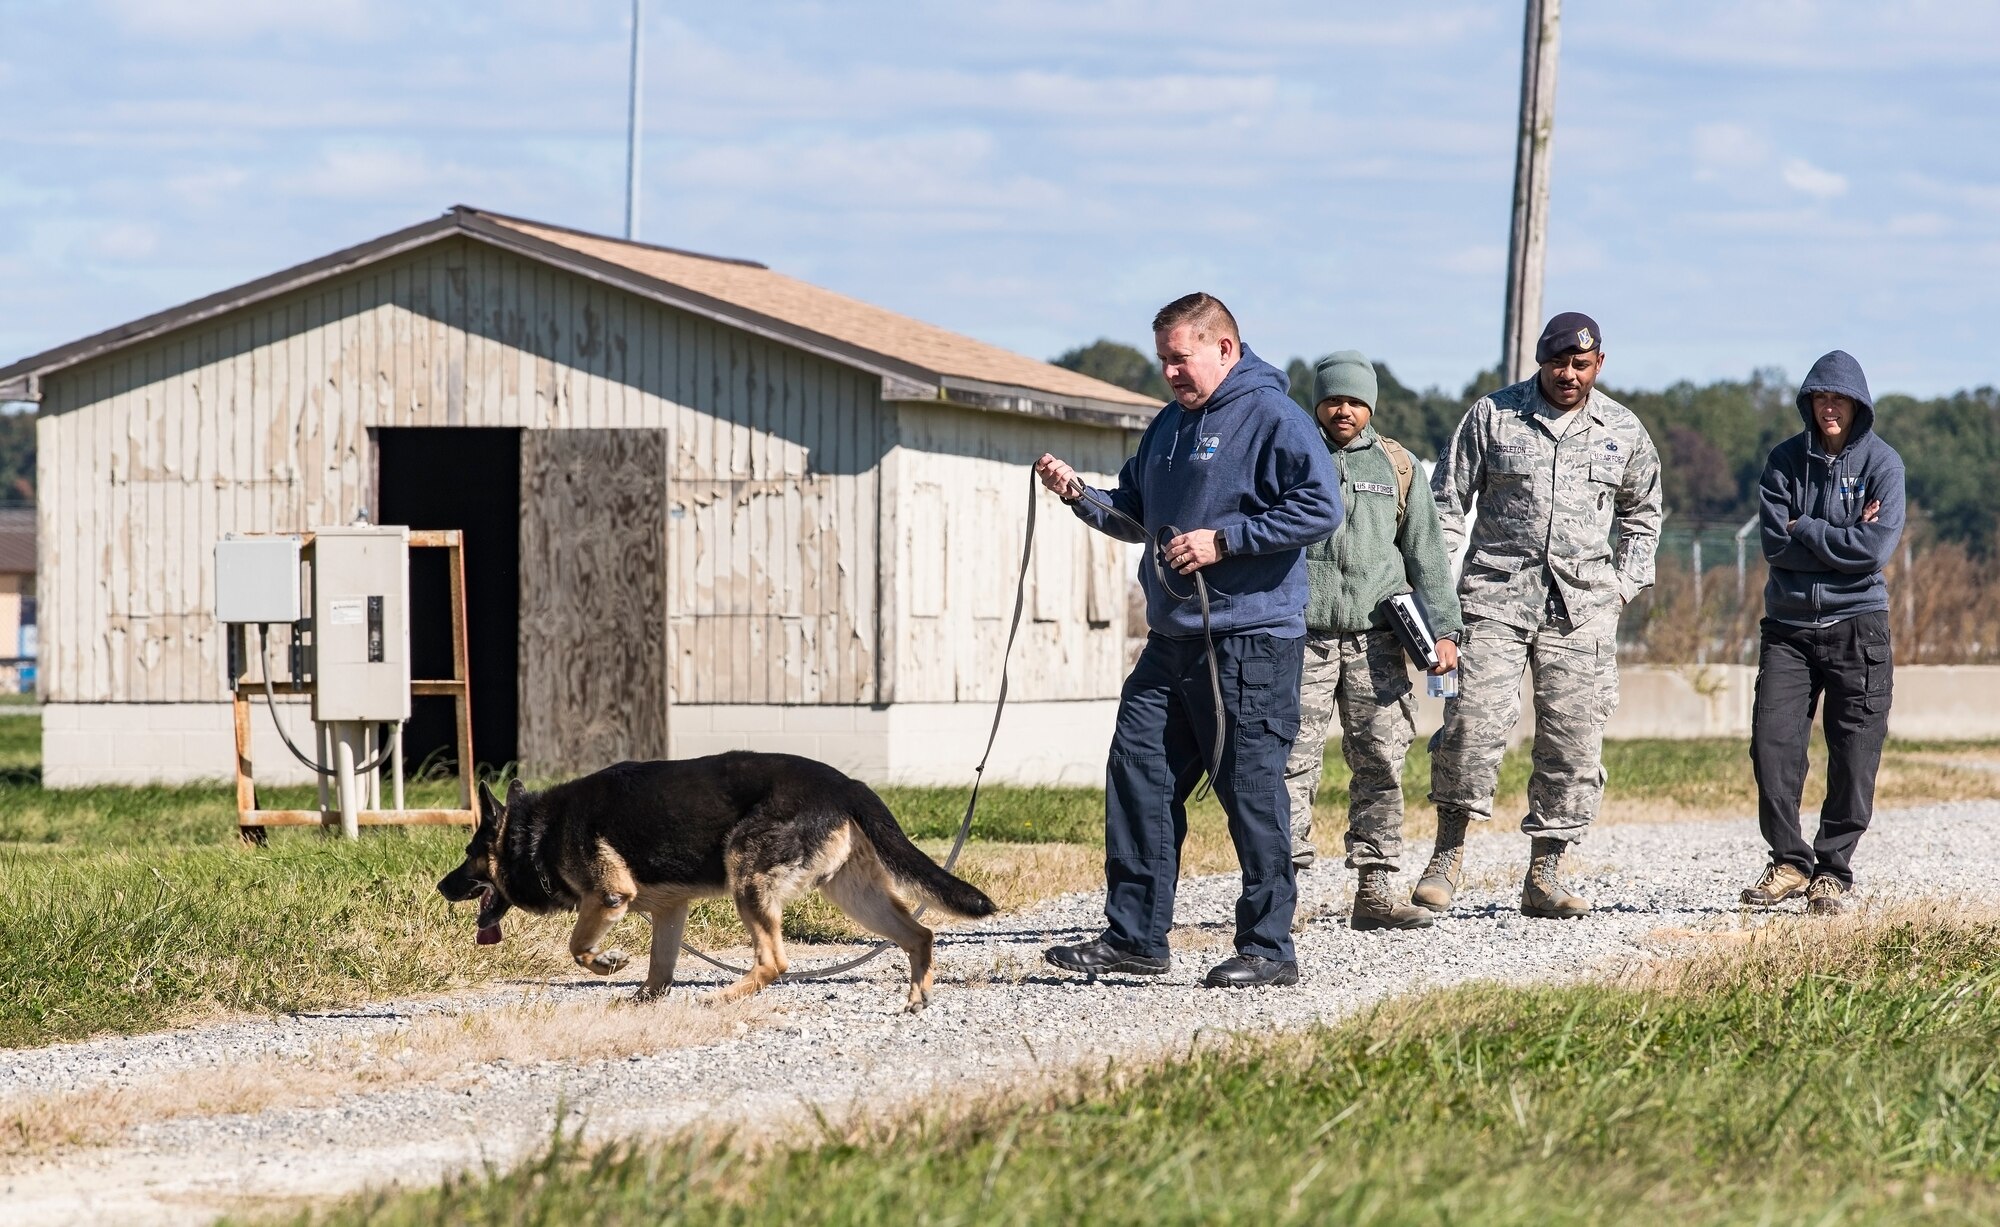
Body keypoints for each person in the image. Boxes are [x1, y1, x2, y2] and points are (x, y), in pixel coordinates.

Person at [1036, 292, 1342, 988]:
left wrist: (1225, 541)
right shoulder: (1169, 426)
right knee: (1137, 773)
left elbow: (1323, 505)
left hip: (1250, 641)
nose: (1171, 372)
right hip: (1172, 640)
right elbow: (1134, 514)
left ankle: (1269, 947)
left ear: (1224, 349)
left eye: (1182, 357)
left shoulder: (1272, 417)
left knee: (1252, 791)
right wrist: (1078, 493)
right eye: (1163, 361)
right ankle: (1136, 937)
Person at [1421, 312, 1662, 919]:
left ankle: (1546, 873)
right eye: (1559, 363)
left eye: (1582, 365)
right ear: (1540, 361)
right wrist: (1434, 593)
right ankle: (1447, 856)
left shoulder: (1623, 431)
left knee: (1573, 742)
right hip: (1494, 600)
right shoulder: (1493, 416)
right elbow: (1446, 506)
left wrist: (1621, 587)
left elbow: (1644, 513)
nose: (1570, 375)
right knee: (1471, 727)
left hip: (1581, 610)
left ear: (1599, 363)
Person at [1283, 351, 1463, 932]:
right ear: (1317, 403)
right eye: (1334, 399)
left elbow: (1427, 556)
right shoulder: (1286, 455)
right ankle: (1276, 893)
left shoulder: (1399, 466)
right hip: (1300, 640)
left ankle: (1377, 890)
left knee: (1382, 762)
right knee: (1287, 763)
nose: (1344, 410)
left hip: (1377, 643)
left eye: (1357, 401)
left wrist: (1444, 630)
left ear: (1372, 407)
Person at [1740, 351, 1904, 916]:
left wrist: (1807, 526)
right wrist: (1838, 540)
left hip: (1859, 626)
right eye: (1820, 398)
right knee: (1772, 746)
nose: (1829, 408)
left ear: (1858, 405)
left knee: (1855, 754)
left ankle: (1833, 869)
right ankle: (1789, 861)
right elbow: (1773, 547)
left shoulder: (1885, 465)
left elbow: (1873, 552)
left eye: (1839, 399)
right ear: (1808, 403)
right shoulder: (1783, 461)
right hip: (1787, 627)